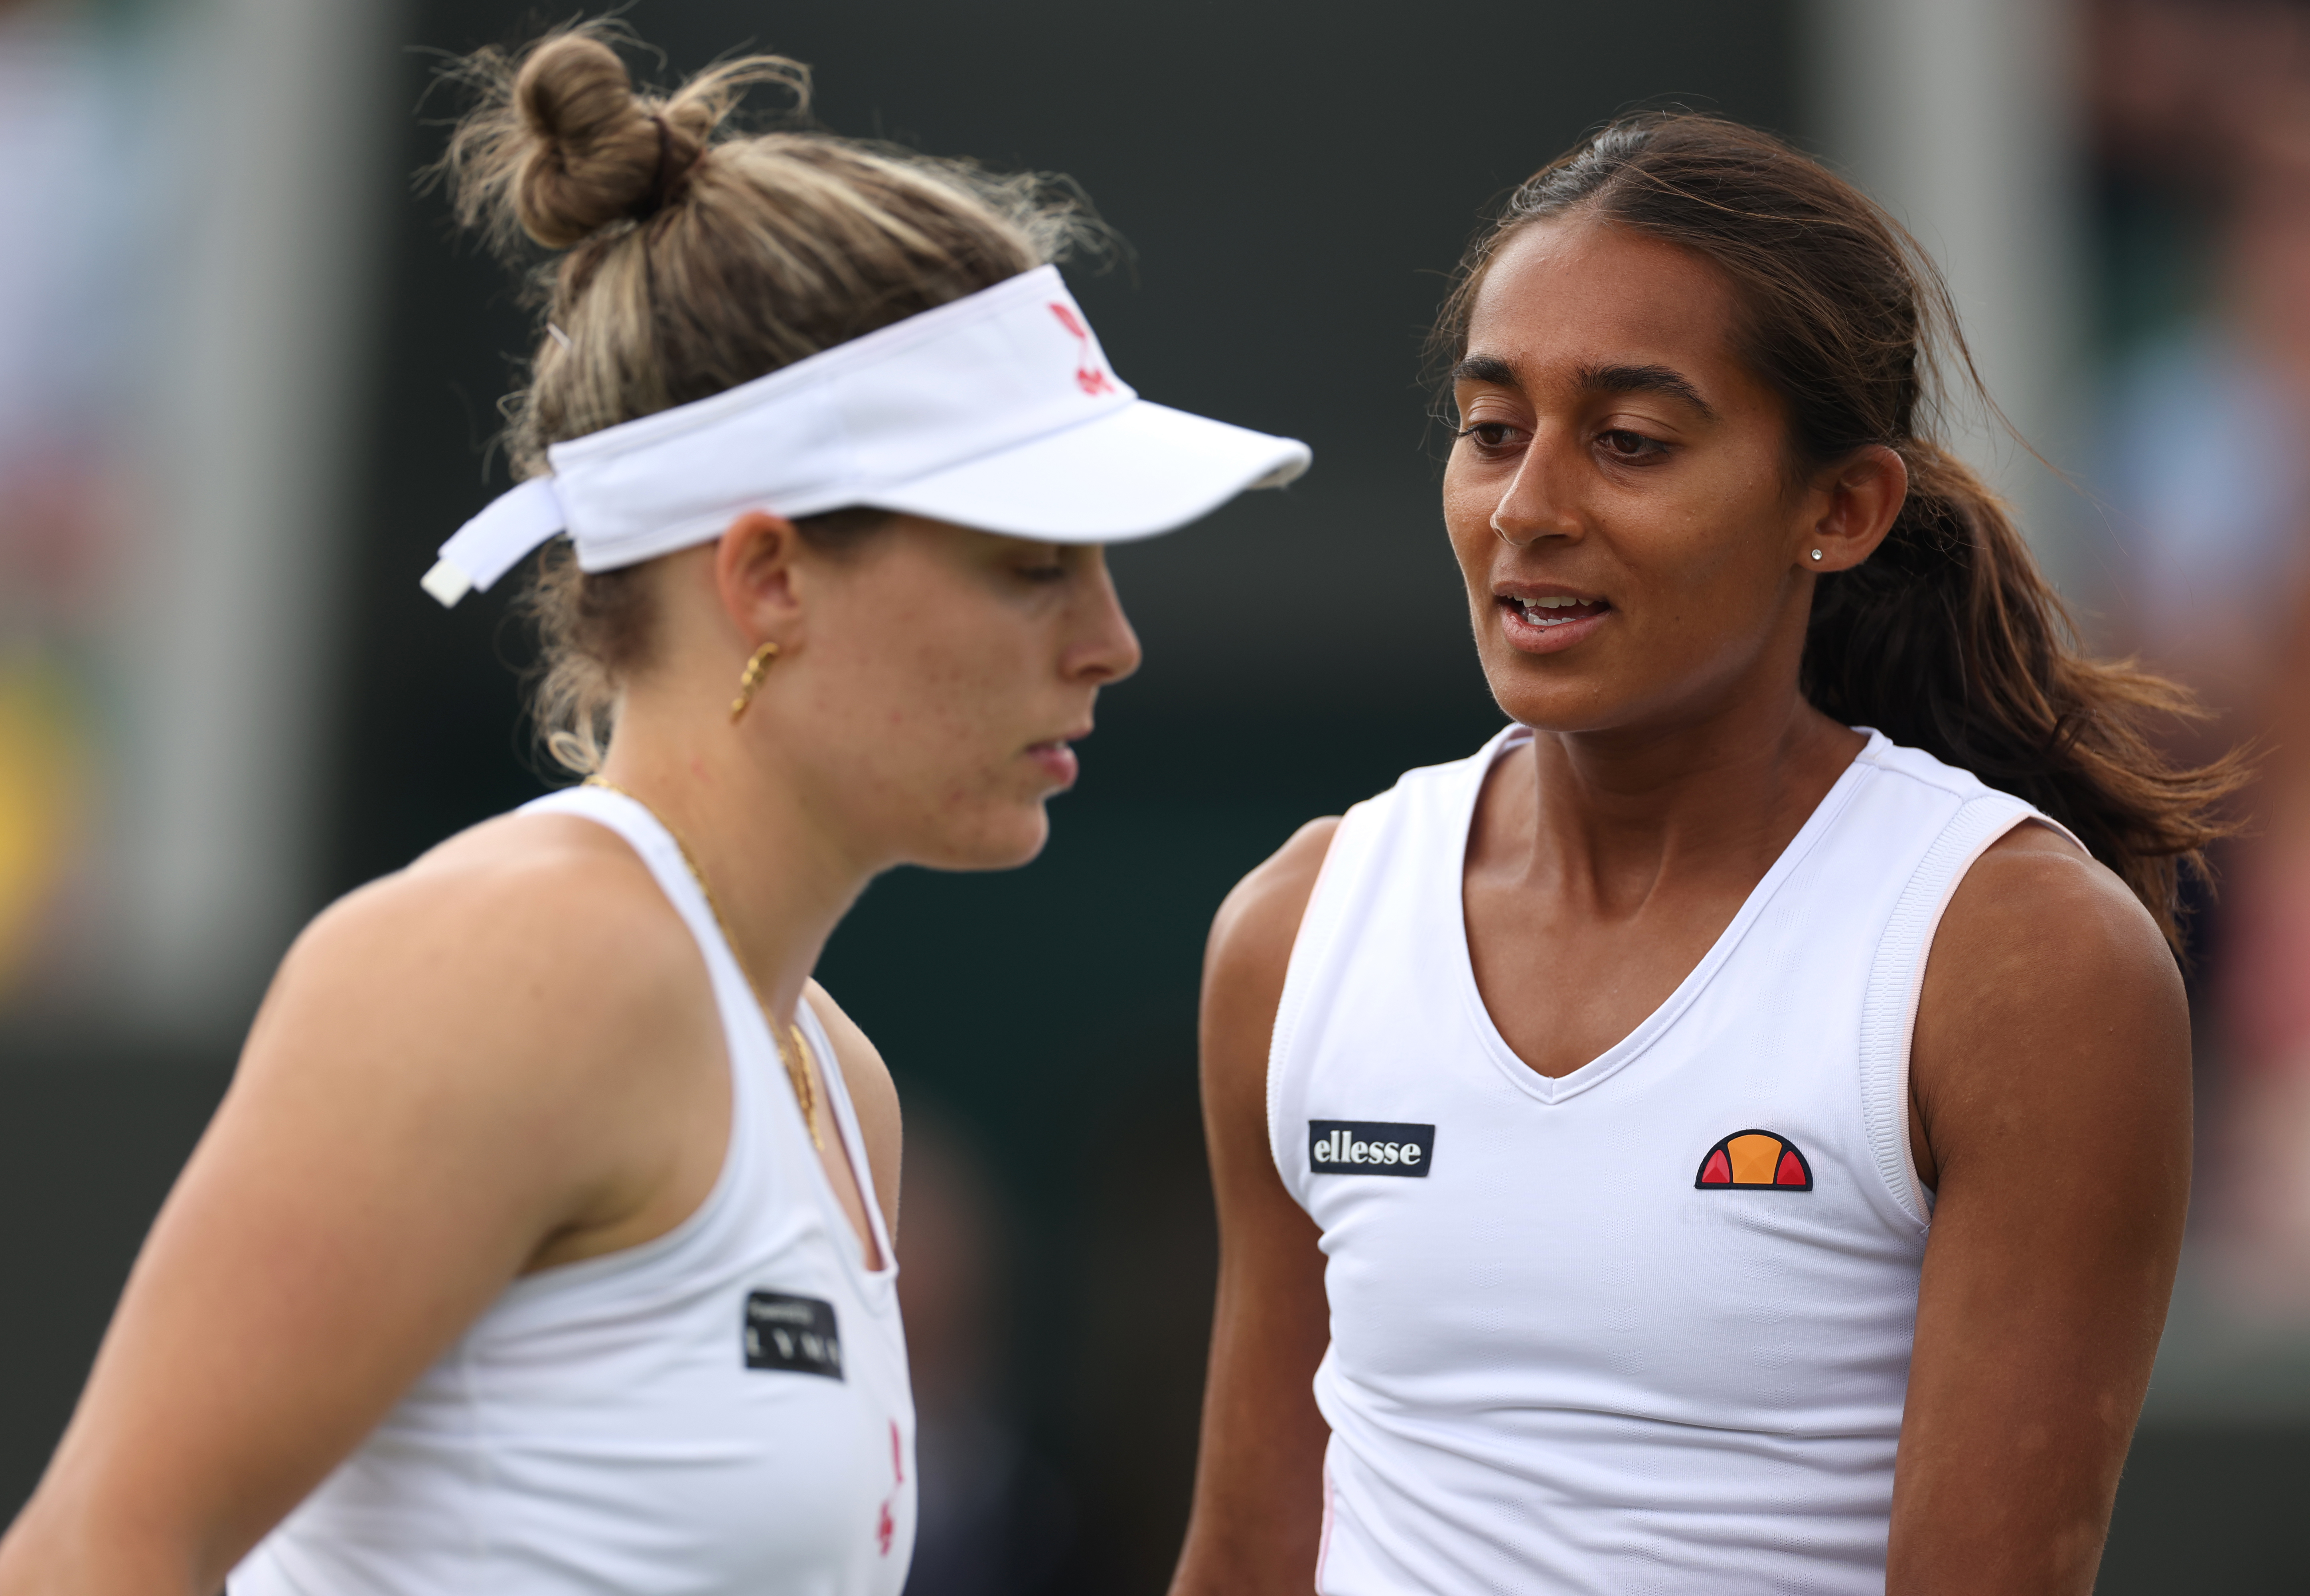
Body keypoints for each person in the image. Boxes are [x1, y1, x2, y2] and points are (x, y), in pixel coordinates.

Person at [0, 22, 1306, 1596]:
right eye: (1032, 563)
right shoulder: (522, 962)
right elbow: (95, 1556)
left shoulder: (842, 1081)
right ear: (766, 576)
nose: (1111, 639)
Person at [1172, 114, 2235, 1595]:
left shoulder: (2023, 964)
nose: (1530, 508)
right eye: (1492, 429)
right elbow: (1246, 1556)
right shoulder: (1295, 931)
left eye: (1631, 443)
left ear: (1841, 510)